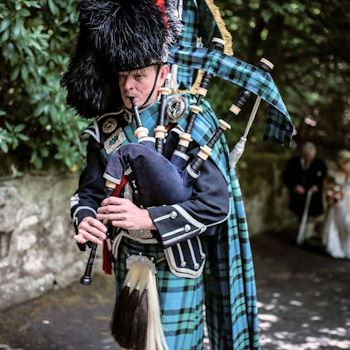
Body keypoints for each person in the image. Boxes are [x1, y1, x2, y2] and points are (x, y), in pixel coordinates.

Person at [62, 0, 292, 349]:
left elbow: (216, 206)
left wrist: (147, 217)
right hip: (129, 257)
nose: (129, 87)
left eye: (139, 75)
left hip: (178, 264)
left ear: (164, 72)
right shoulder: (107, 127)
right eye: (123, 76)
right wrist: (84, 218)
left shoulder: (194, 120)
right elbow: (89, 191)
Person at [283, 142, 327, 239]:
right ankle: (301, 234)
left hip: (313, 196)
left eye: (311, 155)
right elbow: (286, 177)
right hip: (299, 195)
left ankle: (307, 235)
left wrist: (316, 186)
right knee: (300, 213)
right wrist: (295, 186)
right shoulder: (294, 162)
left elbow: (322, 177)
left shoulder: (319, 163)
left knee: (313, 215)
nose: (309, 158)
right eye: (307, 155)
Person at [322, 150, 350, 259]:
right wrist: (333, 198)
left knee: (347, 225)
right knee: (336, 225)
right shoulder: (335, 174)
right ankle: (336, 248)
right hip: (339, 204)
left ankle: (347, 249)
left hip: (348, 203)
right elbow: (329, 188)